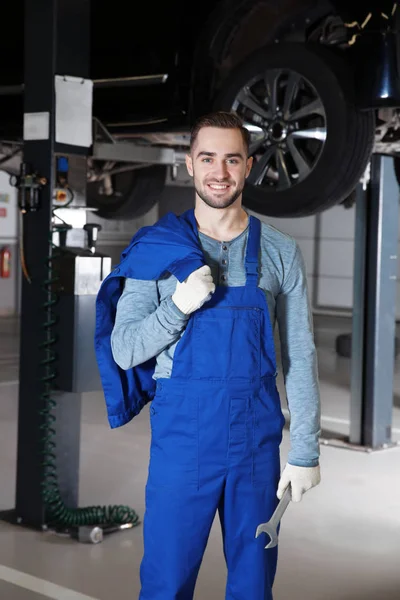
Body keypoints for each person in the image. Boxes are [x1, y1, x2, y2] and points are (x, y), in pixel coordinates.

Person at [102, 111, 321, 599]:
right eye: (207, 158)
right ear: (188, 164)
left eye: (231, 159)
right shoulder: (156, 250)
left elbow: (300, 357)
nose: (218, 172)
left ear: (248, 166)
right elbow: (124, 349)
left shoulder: (280, 252)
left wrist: (305, 449)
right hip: (182, 446)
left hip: (256, 448)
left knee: (252, 585)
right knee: (166, 584)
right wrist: (176, 306)